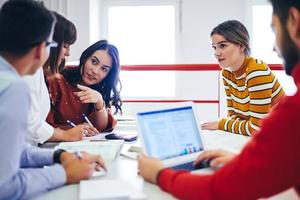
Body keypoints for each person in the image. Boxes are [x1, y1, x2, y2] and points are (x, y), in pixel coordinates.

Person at [138, 1, 300, 199]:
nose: (275, 48)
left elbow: (220, 186)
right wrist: (243, 159)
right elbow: (238, 119)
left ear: (293, 20)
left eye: (275, 30)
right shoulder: (227, 74)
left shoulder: (261, 76)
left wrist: (159, 173)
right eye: (214, 47)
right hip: (261, 148)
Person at [0, 1, 105, 199]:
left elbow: (13, 150)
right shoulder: (13, 87)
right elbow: (5, 186)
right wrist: (64, 173)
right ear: (41, 49)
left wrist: (60, 155)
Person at [201, 20, 285, 136]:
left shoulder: (256, 71)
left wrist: (220, 124)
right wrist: (234, 124)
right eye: (214, 47)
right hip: (261, 137)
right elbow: (233, 116)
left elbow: (256, 129)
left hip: (282, 135)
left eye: (222, 46)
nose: (216, 53)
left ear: (241, 46)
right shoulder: (226, 73)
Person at [24, 11, 84, 145]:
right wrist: (66, 135)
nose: (68, 53)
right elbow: (30, 125)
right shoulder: (29, 71)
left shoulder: (37, 71)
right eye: (65, 46)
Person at [46, 40, 122, 136]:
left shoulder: (101, 88)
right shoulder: (57, 79)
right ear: (85, 58)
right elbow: (42, 125)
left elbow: (102, 127)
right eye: (94, 61)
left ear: (108, 74)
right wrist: (73, 130)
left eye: (104, 69)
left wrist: (99, 101)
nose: (95, 71)